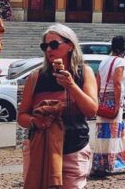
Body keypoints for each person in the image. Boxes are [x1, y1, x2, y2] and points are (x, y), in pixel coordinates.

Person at [18, 24, 98, 188]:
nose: (48, 49)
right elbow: (21, 116)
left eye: (54, 44)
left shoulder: (84, 73)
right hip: (40, 150)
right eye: (45, 46)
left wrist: (71, 86)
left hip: (74, 148)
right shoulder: (36, 77)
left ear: (70, 46)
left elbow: (91, 110)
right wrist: (35, 121)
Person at [91, 36, 125, 176]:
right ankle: (109, 164)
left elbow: (98, 81)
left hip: (103, 100)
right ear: (123, 48)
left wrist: (97, 100)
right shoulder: (120, 61)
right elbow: (117, 83)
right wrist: (117, 104)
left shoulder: (104, 61)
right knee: (112, 133)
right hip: (113, 100)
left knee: (110, 131)